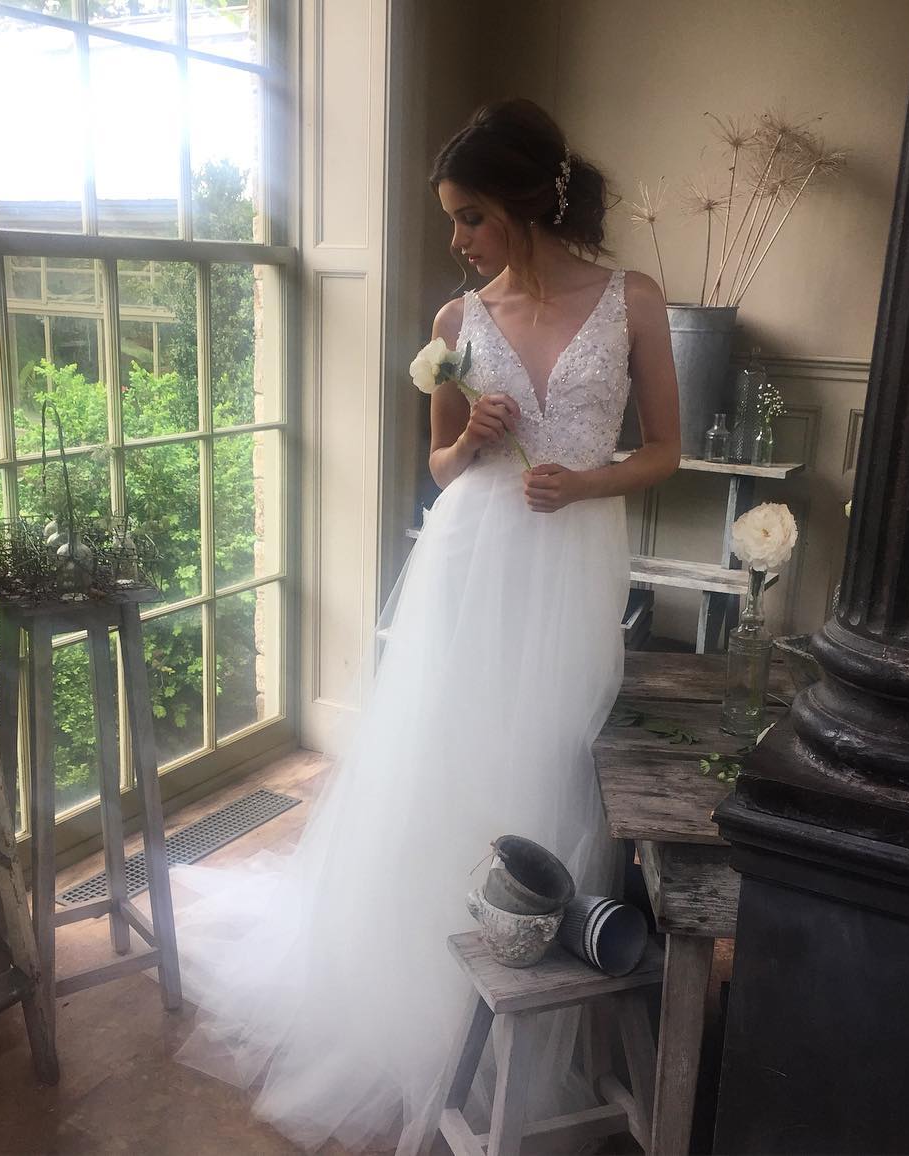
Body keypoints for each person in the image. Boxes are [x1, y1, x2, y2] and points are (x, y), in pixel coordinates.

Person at [170, 98, 680, 1155]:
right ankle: (420, 990)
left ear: (527, 203)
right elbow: (442, 467)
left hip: (573, 562)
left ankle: (532, 984)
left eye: (469, 215)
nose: (456, 238)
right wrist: (472, 438)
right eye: (453, 218)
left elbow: (664, 450)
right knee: (449, 755)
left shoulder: (632, 299)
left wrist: (585, 482)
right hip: (471, 560)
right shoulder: (457, 323)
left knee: (549, 755)